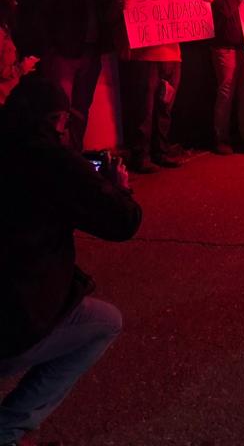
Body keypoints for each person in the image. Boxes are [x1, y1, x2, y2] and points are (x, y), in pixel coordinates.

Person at [0, 77, 142, 446]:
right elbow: (122, 221)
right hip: (12, 322)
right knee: (105, 322)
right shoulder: (51, 162)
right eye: (64, 122)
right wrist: (118, 187)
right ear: (54, 120)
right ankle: (7, 428)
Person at [117, 0, 183, 173]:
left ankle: (160, 152)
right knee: (145, 109)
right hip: (147, 57)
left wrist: (204, 0)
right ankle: (141, 155)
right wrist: (121, 8)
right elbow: (114, 17)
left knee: (165, 107)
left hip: (172, 55)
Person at [39, 0, 102, 151]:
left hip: (90, 52)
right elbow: (43, 17)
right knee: (61, 109)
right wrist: (52, 48)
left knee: (81, 108)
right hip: (65, 54)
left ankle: (75, 153)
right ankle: (60, 156)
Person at [204, 0, 244, 155]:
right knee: (226, 92)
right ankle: (220, 137)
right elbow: (225, 10)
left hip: (242, 46)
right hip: (223, 47)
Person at [0, 0, 38, 106]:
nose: (16, 3)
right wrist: (21, 68)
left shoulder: (6, 28)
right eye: (11, 0)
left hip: (8, 97)